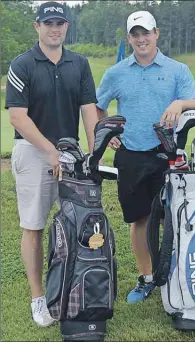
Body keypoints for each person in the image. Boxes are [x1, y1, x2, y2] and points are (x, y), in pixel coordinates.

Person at [5, 1, 99, 327]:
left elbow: (89, 109)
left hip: (71, 154)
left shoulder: (80, 63)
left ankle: (71, 286)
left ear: (67, 27)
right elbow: (17, 116)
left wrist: (93, 153)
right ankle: (38, 298)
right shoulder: (22, 64)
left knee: (75, 223)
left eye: (60, 23)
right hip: (33, 153)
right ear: (37, 27)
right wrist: (49, 151)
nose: (54, 28)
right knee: (34, 226)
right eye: (49, 23)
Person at [96, 10, 195, 303]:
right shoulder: (116, 73)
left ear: (156, 33)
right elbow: (98, 105)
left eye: (146, 33)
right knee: (139, 219)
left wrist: (179, 103)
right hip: (130, 155)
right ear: (129, 38)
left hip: (167, 154)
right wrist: (107, 132)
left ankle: (174, 274)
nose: (141, 39)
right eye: (135, 34)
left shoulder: (177, 69)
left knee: (173, 218)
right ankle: (147, 278)